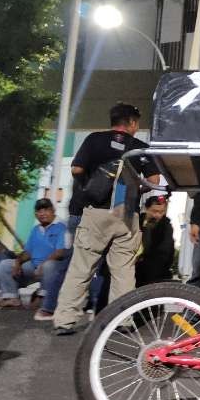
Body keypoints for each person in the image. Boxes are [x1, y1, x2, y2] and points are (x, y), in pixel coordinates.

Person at [53, 103, 160, 335]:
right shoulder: (139, 148)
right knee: (123, 270)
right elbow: (155, 179)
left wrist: (90, 187)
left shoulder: (94, 140)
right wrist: (134, 189)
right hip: (126, 215)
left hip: (96, 212)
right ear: (132, 123)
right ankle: (123, 320)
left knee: (82, 267)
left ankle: (65, 320)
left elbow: (76, 169)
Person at [0, 199, 68, 320]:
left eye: (46, 210)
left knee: (49, 266)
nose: (42, 213)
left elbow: (60, 252)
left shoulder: (62, 227)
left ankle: (44, 297)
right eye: (39, 211)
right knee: (5, 264)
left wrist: (43, 265)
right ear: (36, 214)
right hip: (33, 266)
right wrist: (17, 262)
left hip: (53, 268)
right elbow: (28, 252)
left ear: (53, 210)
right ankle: (12, 298)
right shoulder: (35, 229)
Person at [135, 195, 174, 287]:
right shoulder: (136, 221)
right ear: (146, 208)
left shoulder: (166, 227)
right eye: (154, 211)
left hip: (154, 272)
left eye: (161, 212)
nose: (157, 215)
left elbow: (165, 252)